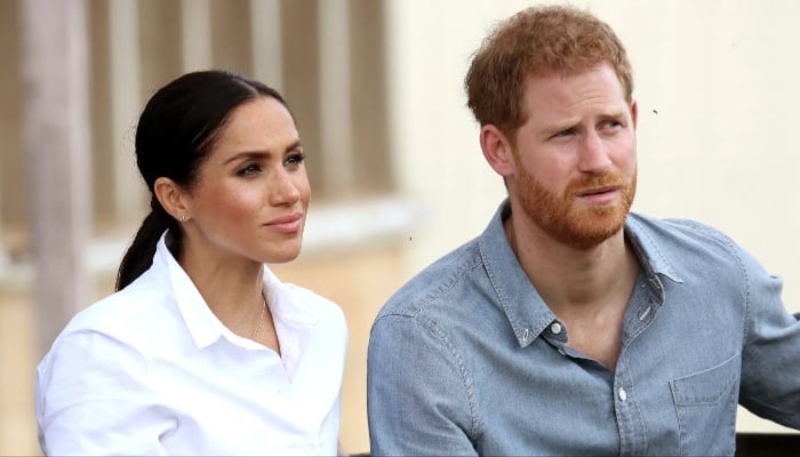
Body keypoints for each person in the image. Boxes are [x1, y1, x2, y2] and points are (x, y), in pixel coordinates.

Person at [366, 5, 800, 456]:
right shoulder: (425, 340)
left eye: (611, 126)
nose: (598, 160)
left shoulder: (718, 278)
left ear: (634, 119)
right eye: (566, 134)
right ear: (499, 151)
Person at [35, 70, 349, 456]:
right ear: (175, 198)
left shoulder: (319, 326)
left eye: (293, 159)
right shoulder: (107, 354)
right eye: (249, 169)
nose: (289, 192)